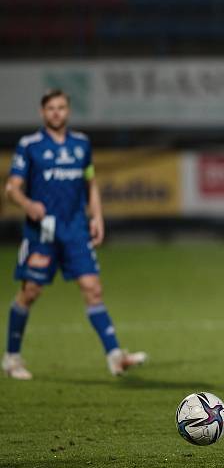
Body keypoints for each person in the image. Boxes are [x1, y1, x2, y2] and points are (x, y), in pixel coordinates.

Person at [3, 89, 146, 380]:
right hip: (42, 233)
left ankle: (115, 356)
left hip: (76, 229)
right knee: (30, 292)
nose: (56, 112)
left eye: (61, 107)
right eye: (51, 108)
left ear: (68, 110)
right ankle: (12, 357)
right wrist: (28, 204)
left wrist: (98, 216)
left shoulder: (81, 145)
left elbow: (90, 183)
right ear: (43, 113)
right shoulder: (30, 145)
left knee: (93, 289)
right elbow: (11, 188)